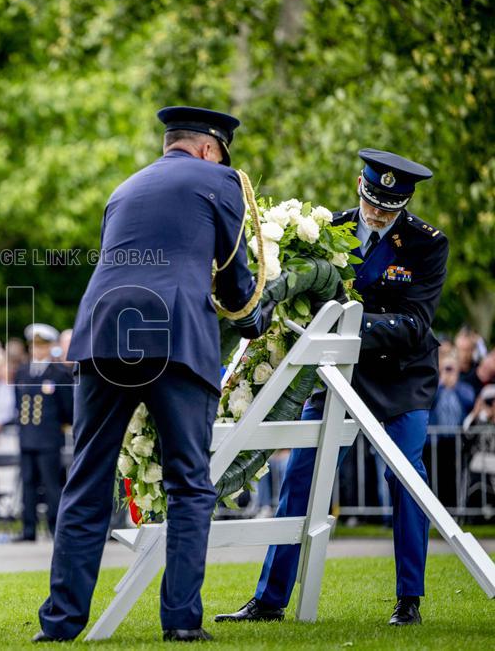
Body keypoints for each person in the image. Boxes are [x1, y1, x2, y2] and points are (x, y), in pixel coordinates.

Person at [36, 106, 272, 643]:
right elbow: (235, 279)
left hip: (102, 333)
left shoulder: (123, 188)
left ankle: (60, 624)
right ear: (211, 149)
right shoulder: (221, 180)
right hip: (174, 337)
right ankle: (182, 624)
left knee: (87, 480)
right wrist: (253, 320)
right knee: (190, 483)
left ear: (170, 145)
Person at [216, 149, 448, 627]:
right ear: (359, 187)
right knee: (300, 477)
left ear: (403, 204)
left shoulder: (427, 244)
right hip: (337, 374)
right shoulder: (330, 231)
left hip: (401, 376)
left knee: (406, 479)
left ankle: (410, 600)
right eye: (371, 201)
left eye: (389, 206)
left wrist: (344, 329)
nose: (377, 212)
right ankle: (270, 599)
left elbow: (416, 324)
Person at [13, 323, 73, 543]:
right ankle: (28, 529)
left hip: (48, 438)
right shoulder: (22, 372)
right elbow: (18, 405)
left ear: (49, 347)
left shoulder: (58, 373)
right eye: (34, 346)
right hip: (27, 436)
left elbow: (68, 408)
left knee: (50, 484)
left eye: (42, 346)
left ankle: (54, 527)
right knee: (28, 483)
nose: (37, 350)